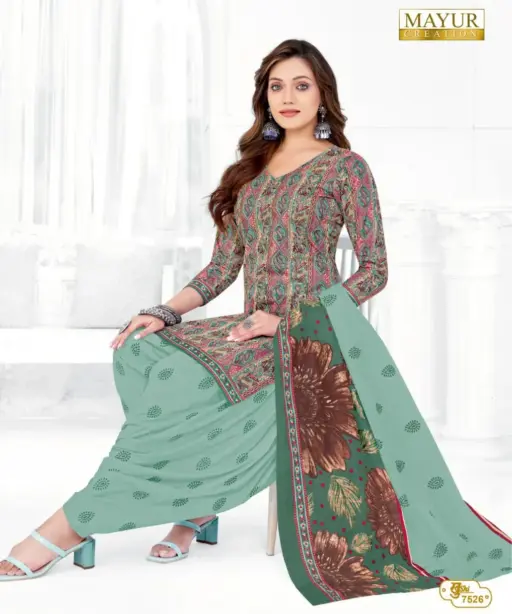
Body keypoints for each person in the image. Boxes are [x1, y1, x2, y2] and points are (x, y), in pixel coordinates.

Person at [1, 38, 510, 605]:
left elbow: (375, 270)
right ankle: (195, 502)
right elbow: (223, 267)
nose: (287, 97)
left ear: (323, 96)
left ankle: (72, 525)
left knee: (184, 379)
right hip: (249, 327)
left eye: (301, 85)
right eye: (276, 86)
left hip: (311, 337)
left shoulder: (346, 169)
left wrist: (292, 321)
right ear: (264, 98)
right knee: (139, 349)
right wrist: (162, 311)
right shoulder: (247, 172)